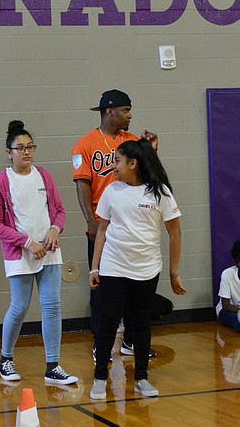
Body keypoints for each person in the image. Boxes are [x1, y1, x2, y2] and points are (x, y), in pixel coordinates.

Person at [88, 139, 186, 400]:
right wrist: (94, 267)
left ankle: (141, 377)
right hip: (113, 266)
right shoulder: (111, 191)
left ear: (133, 164)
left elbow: (174, 233)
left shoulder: (160, 193)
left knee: (140, 322)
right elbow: (102, 231)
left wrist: (173, 273)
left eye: (118, 160)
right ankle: (100, 376)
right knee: (109, 320)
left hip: (146, 268)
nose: (114, 165)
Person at [0, 121, 77, 386]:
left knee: (52, 306)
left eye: (30, 147)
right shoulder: (0, 182)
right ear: (9, 152)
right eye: (20, 148)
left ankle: (53, 366)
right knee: (20, 306)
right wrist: (27, 242)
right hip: (20, 254)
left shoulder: (45, 176)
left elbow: (59, 211)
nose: (26, 152)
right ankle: (5, 359)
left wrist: (54, 229)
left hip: (49, 252)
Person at [71, 89, 158, 359]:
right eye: (126, 110)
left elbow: (149, 175)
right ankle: (102, 345)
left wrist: (151, 152)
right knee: (102, 290)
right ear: (110, 111)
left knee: (135, 288)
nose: (130, 115)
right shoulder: (84, 145)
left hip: (132, 227)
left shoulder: (132, 142)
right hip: (103, 226)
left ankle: (131, 340)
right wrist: (91, 221)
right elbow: (82, 185)